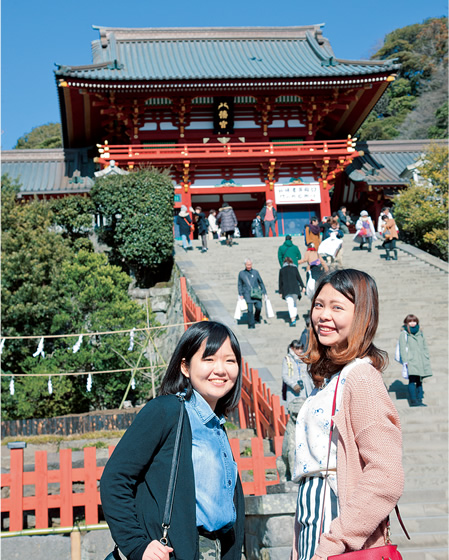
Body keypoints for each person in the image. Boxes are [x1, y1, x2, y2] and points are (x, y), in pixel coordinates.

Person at [101, 321, 245, 560]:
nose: (220, 369)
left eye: (230, 361)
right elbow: (115, 479)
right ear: (185, 367)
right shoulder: (166, 412)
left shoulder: (216, 425)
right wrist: (138, 545)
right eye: (208, 359)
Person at [291, 269, 404, 560]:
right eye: (319, 305)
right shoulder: (330, 379)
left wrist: (335, 540)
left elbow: (386, 472)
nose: (323, 315)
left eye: (337, 307)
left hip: (336, 520)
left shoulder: (361, 377)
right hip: (313, 513)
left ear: (362, 316)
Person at [398, 314, 432, 406]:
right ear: (406, 322)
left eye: (414, 321)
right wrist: (406, 361)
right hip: (411, 361)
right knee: (412, 380)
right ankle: (413, 401)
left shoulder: (420, 333)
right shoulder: (404, 334)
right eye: (410, 321)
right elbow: (402, 348)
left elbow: (425, 346)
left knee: (420, 381)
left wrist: (426, 356)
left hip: (421, 360)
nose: (412, 323)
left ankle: (420, 399)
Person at [281, 340, 314, 404]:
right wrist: (293, 385)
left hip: (306, 389)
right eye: (297, 349)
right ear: (292, 348)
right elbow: (284, 375)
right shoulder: (287, 359)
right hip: (294, 391)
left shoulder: (304, 357)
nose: (300, 351)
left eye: (301, 348)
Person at [237, 258, 267, 329]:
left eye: (250, 264)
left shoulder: (256, 272)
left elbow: (260, 282)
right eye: (247, 265)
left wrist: (264, 291)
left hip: (256, 293)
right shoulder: (241, 273)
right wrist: (240, 293)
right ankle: (251, 324)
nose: (249, 266)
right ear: (245, 265)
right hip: (247, 294)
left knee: (258, 307)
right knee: (250, 310)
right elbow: (239, 284)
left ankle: (256, 317)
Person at [279, 257, 306, 327]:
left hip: (286, 289)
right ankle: (293, 317)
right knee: (294, 303)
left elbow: (280, 282)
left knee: (290, 304)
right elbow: (299, 278)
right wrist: (303, 286)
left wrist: (280, 292)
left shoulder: (282, 270)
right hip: (295, 289)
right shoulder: (295, 268)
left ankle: (292, 319)